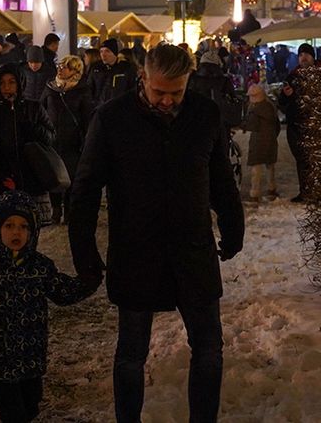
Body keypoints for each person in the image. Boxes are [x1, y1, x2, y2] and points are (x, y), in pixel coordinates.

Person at [69, 44, 244, 423]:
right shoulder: (112, 119)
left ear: (188, 83)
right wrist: (85, 256)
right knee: (131, 353)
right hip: (136, 252)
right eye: (158, 92)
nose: (166, 101)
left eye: (176, 93)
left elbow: (220, 179)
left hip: (192, 249)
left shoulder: (205, 114)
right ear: (142, 79)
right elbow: (84, 190)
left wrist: (233, 226)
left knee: (209, 349)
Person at [0, 190, 96, 423]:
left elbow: (62, 291)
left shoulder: (39, 266)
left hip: (30, 358)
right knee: (13, 414)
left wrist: (88, 281)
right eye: (9, 225)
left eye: (24, 226)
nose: (16, 232)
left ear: (33, 231)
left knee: (31, 406)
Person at [0, 65, 55, 223]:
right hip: (6, 182)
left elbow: (50, 138)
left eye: (11, 82)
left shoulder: (34, 107)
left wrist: (29, 125)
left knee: (31, 229)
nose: (7, 87)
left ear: (20, 83)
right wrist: (1, 177)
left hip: (34, 180)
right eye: (2, 83)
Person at [39, 55, 92, 225]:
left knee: (71, 177)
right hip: (52, 141)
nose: (61, 69)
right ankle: (56, 210)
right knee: (53, 175)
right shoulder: (50, 87)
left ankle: (69, 211)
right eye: (60, 65)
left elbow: (87, 119)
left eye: (66, 67)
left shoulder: (82, 90)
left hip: (72, 143)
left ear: (75, 71)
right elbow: (41, 111)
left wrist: (85, 141)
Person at [277, 43, 317, 203]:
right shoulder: (292, 76)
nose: (303, 57)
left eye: (307, 54)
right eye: (301, 55)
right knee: (301, 159)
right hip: (296, 124)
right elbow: (281, 101)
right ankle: (305, 191)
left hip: (315, 123)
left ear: (313, 57)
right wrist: (286, 95)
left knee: (315, 159)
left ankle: (317, 191)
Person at [242, 84, 280, 202]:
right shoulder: (270, 107)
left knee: (256, 168)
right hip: (271, 140)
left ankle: (255, 192)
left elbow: (251, 125)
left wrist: (241, 125)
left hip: (258, 141)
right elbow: (277, 125)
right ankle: (271, 188)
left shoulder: (254, 110)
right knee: (270, 165)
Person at [87, 39, 135, 106]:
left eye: (107, 51)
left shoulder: (125, 68)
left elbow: (132, 89)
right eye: (101, 51)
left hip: (120, 108)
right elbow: (89, 89)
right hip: (100, 108)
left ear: (114, 53)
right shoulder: (96, 68)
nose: (103, 54)